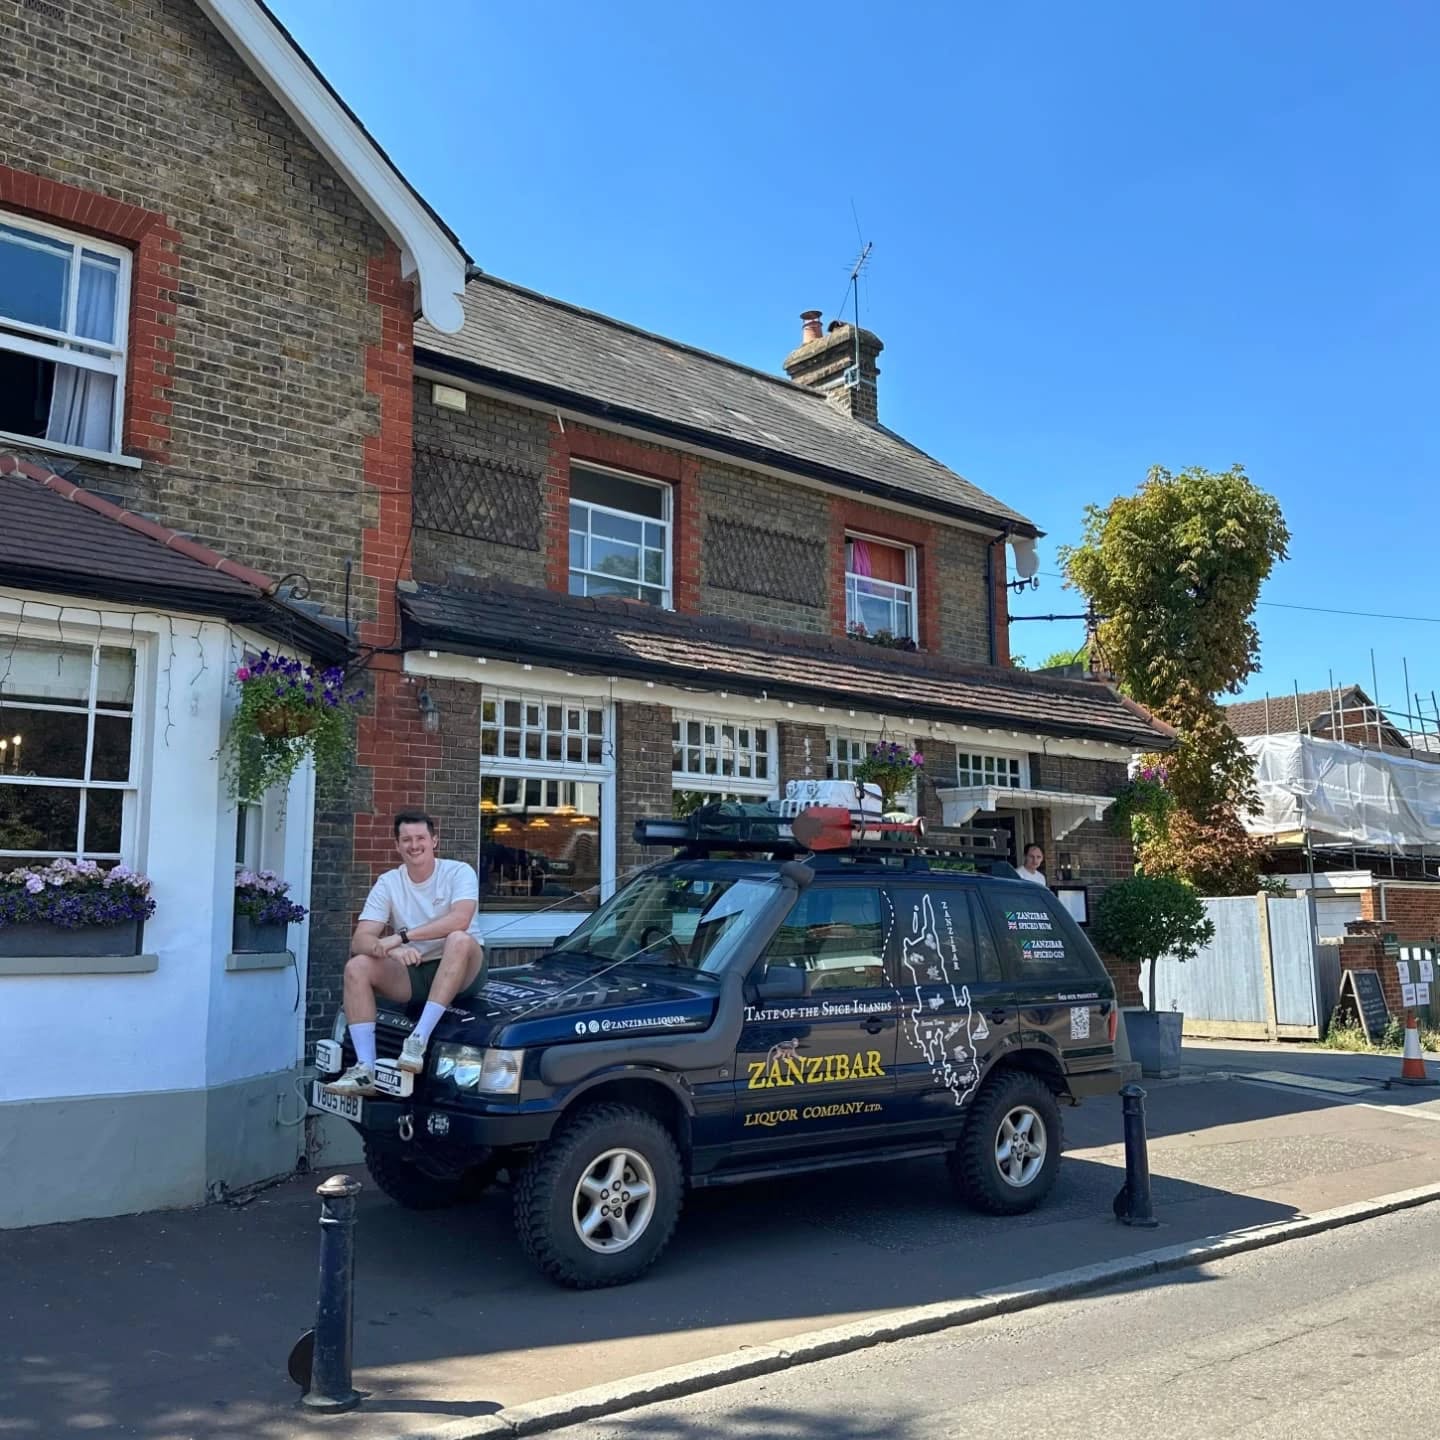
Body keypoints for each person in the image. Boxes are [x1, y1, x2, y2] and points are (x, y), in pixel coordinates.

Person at [324, 810, 487, 1096]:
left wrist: (401, 938)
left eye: (421, 838)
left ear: (434, 840)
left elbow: (459, 919)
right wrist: (391, 951)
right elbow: (360, 939)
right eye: (406, 839)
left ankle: (417, 1042)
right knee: (357, 966)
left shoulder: (458, 871)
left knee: (458, 939)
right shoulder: (389, 881)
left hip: (464, 969)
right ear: (397, 845)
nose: (414, 845)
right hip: (414, 971)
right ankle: (365, 1070)